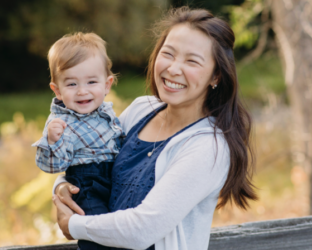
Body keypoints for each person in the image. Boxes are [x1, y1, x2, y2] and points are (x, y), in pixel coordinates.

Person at [52, 6, 257, 250]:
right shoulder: (141, 109)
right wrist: (62, 187)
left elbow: (143, 229)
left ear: (216, 77)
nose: (173, 68)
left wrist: (73, 225)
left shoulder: (208, 146)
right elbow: (90, 160)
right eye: (168, 54)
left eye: (191, 61)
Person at [32, 32, 124, 250]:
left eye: (92, 82)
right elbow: (53, 166)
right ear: (57, 90)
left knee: (118, 229)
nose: (83, 91)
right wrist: (53, 140)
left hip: (115, 178)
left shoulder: (107, 113)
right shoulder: (59, 122)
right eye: (72, 84)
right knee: (95, 229)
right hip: (86, 183)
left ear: (107, 84)